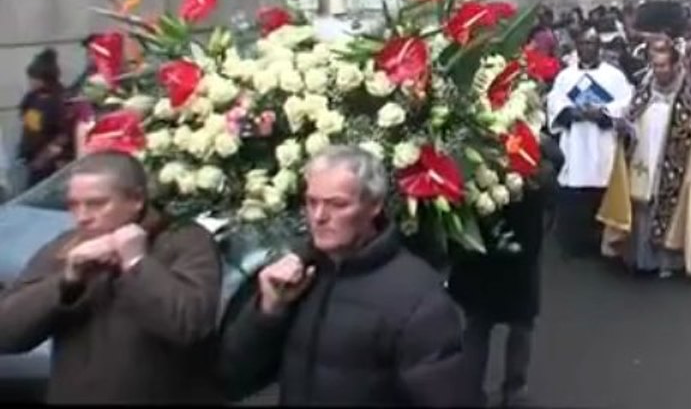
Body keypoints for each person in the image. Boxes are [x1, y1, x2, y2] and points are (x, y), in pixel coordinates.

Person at [220, 146, 468, 406]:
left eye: (337, 204)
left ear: (374, 205)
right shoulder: (298, 274)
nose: (319, 217)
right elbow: (234, 377)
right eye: (312, 202)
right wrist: (269, 309)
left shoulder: (417, 295)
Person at [0, 151, 223, 404]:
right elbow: (7, 334)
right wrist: (67, 281)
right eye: (73, 204)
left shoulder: (185, 240)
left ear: (136, 199)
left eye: (96, 203)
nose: (82, 216)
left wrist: (135, 263)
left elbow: (189, 324)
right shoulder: (67, 247)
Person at [449, 133, 563, 408]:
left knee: (481, 322)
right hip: (517, 242)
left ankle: (473, 390)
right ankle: (513, 390)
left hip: (484, 240)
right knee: (516, 322)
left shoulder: (468, 135)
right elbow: (556, 161)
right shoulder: (529, 134)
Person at [599, 39, 691, 278]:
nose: (659, 70)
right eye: (655, 65)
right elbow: (631, 120)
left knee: (668, 208)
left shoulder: (689, 101)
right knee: (640, 204)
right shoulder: (642, 93)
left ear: (674, 66)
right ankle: (640, 258)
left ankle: (667, 261)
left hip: (672, 165)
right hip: (643, 157)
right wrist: (625, 131)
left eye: (663, 65)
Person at [546, 29, 635, 258]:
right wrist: (572, 112)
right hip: (575, 140)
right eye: (583, 43)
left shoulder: (614, 75)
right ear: (577, 46)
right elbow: (555, 101)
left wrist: (603, 113)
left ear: (599, 47)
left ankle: (601, 242)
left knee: (602, 186)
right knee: (574, 192)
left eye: (592, 43)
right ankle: (574, 244)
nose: (587, 48)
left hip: (602, 140)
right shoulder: (565, 76)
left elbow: (626, 101)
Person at [17, 48, 72, 191]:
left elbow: (63, 136)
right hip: (32, 160)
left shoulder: (60, 100)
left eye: (34, 78)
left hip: (50, 164)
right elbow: (24, 116)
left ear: (44, 79)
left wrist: (44, 158)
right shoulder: (32, 97)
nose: (30, 82)